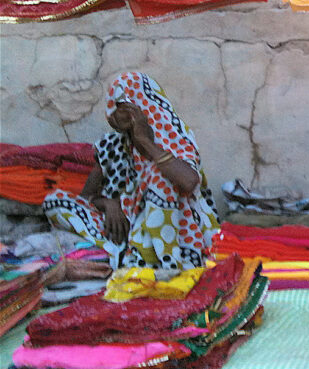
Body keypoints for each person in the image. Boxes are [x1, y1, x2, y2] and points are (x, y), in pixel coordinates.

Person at [43, 72, 219, 270]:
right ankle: (122, 253)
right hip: (123, 229)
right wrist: (110, 205)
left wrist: (145, 141)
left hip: (175, 233)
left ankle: (161, 260)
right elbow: (86, 198)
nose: (117, 113)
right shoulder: (111, 145)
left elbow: (189, 181)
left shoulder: (175, 136)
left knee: (160, 178)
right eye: (116, 107)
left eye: (124, 105)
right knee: (54, 201)